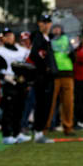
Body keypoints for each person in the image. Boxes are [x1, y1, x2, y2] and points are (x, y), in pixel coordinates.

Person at [0, 27, 31, 144]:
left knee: (19, 110)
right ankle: (6, 135)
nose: (9, 37)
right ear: (2, 38)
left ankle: (17, 133)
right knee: (8, 110)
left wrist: (27, 80)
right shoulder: (0, 52)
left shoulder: (21, 50)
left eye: (11, 35)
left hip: (21, 83)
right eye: (6, 36)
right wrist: (5, 77)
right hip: (9, 84)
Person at [28, 14, 56, 143]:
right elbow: (34, 54)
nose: (46, 25)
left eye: (48, 22)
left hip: (48, 76)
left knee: (46, 105)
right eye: (43, 22)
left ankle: (40, 131)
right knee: (42, 105)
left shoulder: (47, 38)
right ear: (39, 23)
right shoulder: (38, 37)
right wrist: (44, 67)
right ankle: (38, 132)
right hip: (42, 77)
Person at [46, 24, 76, 135]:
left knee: (68, 103)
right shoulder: (49, 40)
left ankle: (68, 127)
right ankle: (45, 127)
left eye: (58, 28)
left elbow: (74, 55)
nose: (57, 30)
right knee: (50, 103)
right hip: (54, 75)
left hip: (67, 73)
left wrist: (72, 54)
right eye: (55, 28)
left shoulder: (67, 40)